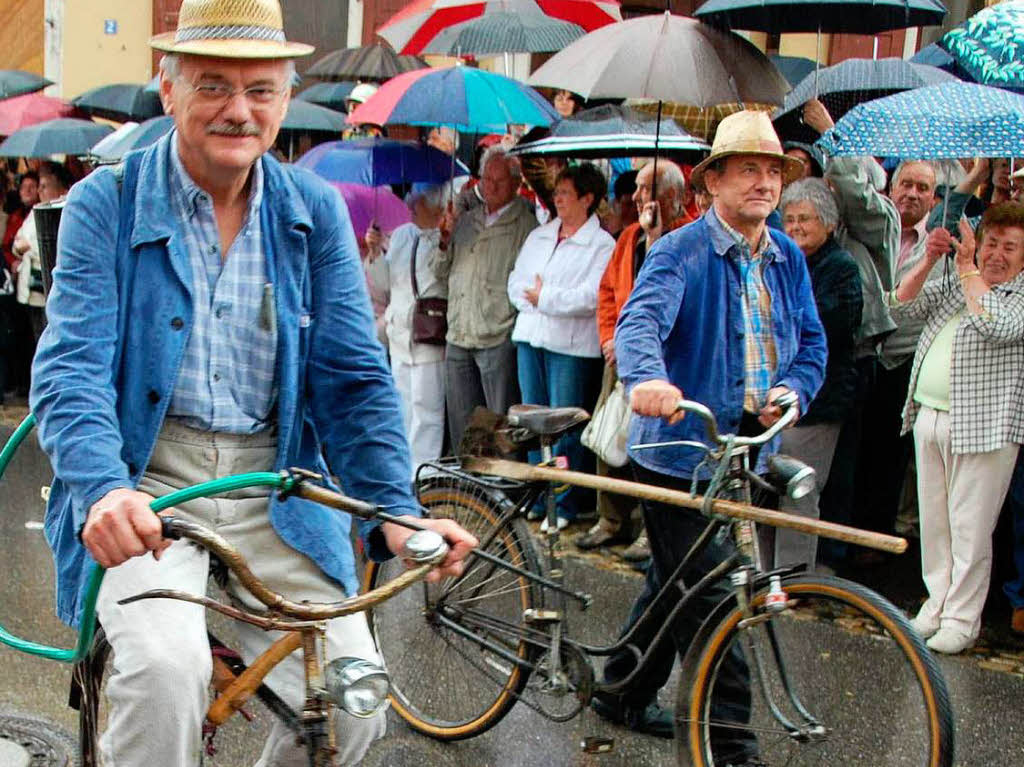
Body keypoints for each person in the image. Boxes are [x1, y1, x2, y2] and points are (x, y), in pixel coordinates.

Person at [29, 2, 476, 765]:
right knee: (166, 672)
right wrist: (103, 487)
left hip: (274, 486)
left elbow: (353, 378)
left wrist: (395, 510)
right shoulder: (108, 203)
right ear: (168, 91)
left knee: (358, 695)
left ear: (283, 99)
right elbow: (71, 367)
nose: (239, 111)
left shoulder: (311, 211)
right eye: (212, 86)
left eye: (260, 90)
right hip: (147, 480)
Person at [591, 111, 825, 759]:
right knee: (718, 595)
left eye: (774, 171)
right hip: (677, 446)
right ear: (714, 181)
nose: (764, 183)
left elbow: (810, 341)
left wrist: (796, 388)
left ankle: (619, 689)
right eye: (748, 169)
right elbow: (640, 323)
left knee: (677, 580)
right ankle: (732, 746)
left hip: (746, 444)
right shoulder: (680, 250)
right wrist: (648, 379)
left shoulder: (784, 259)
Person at [892, 204, 1024, 654]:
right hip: (930, 415)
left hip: (986, 428)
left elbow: (996, 326)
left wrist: (967, 266)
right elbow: (903, 304)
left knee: (969, 528)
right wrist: (931, 258)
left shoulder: (1017, 295)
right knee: (936, 524)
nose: (997, 255)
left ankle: (962, 620)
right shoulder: (956, 281)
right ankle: (935, 605)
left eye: (1010, 247)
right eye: (991, 243)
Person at [577, 159, 692, 557]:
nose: (639, 197)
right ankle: (610, 517)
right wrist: (609, 338)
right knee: (609, 437)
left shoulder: (687, 236)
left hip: (666, 362)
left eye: (649, 189)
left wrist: (659, 237)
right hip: (622, 355)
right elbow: (608, 293)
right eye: (640, 189)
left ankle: (648, 527)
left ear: (674, 197)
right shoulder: (628, 237)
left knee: (651, 444)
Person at [507, 162, 614, 530]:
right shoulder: (541, 234)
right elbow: (516, 282)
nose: (559, 199)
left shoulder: (602, 244)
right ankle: (539, 493)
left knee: (564, 424)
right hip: (530, 335)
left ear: (588, 199)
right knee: (532, 419)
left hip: (569, 345)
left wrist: (545, 297)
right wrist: (535, 299)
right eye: (557, 193)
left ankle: (566, 501)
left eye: (566, 193)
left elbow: (591, 296)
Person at [772, 178, 862, 570]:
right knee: (766, 485)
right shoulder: (784, 261)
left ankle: (792, 574)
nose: (795, 227)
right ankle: (763, 571)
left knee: (800, 486)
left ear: (827, 223)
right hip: (777, 398)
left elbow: (828, 329)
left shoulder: (841, 268)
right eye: (789, 219)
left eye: (804, 219)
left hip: (819, 400)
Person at [429, 145, 537, 451]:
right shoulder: (466, 219)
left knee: (500, 423)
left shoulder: (525, 224)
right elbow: (439, 274)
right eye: (486, 179)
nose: (490, 187)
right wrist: (445, 239)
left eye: (499, 181)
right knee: (462, 424)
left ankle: (502, 488)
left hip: (496, 335)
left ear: (516, 184)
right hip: (459, 332)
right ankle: (469, 488)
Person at [367, 183, 450, 476]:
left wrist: (442, 241)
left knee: (426, 407)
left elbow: (441, 276)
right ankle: (402, 466)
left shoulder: (444, 238)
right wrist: (375, 253)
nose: (412, 206)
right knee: (402, 403)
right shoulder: (403, 235)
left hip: (429, 333)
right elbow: (384, 283)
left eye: (420, 201)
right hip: (400, 333)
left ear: (436, 206)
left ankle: (424, 471)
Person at [14, 162, 72, 341]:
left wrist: (28, 246)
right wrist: (27, 246)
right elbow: (17, 243)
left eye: (44, 186)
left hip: (52, 289)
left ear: (58, 187)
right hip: (31, 292)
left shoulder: (67, 207)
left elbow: (45, 248)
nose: (40, 191)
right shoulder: (36, 211)